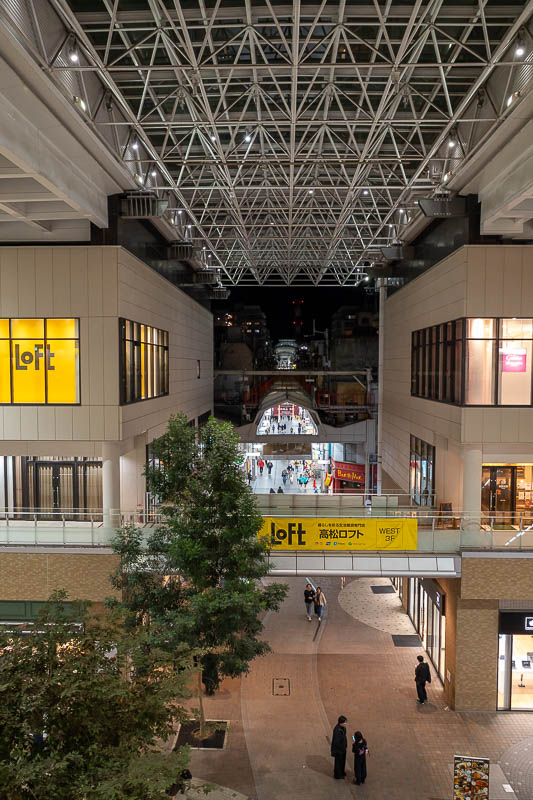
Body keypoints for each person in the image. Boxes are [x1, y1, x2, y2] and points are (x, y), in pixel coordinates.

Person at [330, 715, 348, 779]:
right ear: (341, 723)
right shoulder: (337, 730)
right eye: (345, 722)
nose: (346, 723)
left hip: (343, 749)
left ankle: (342, 771)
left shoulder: (343, 728)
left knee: (342, 761)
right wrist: (342, 748)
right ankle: (338, 775)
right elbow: (336, 742)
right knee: (338, 762)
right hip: (338, 750)